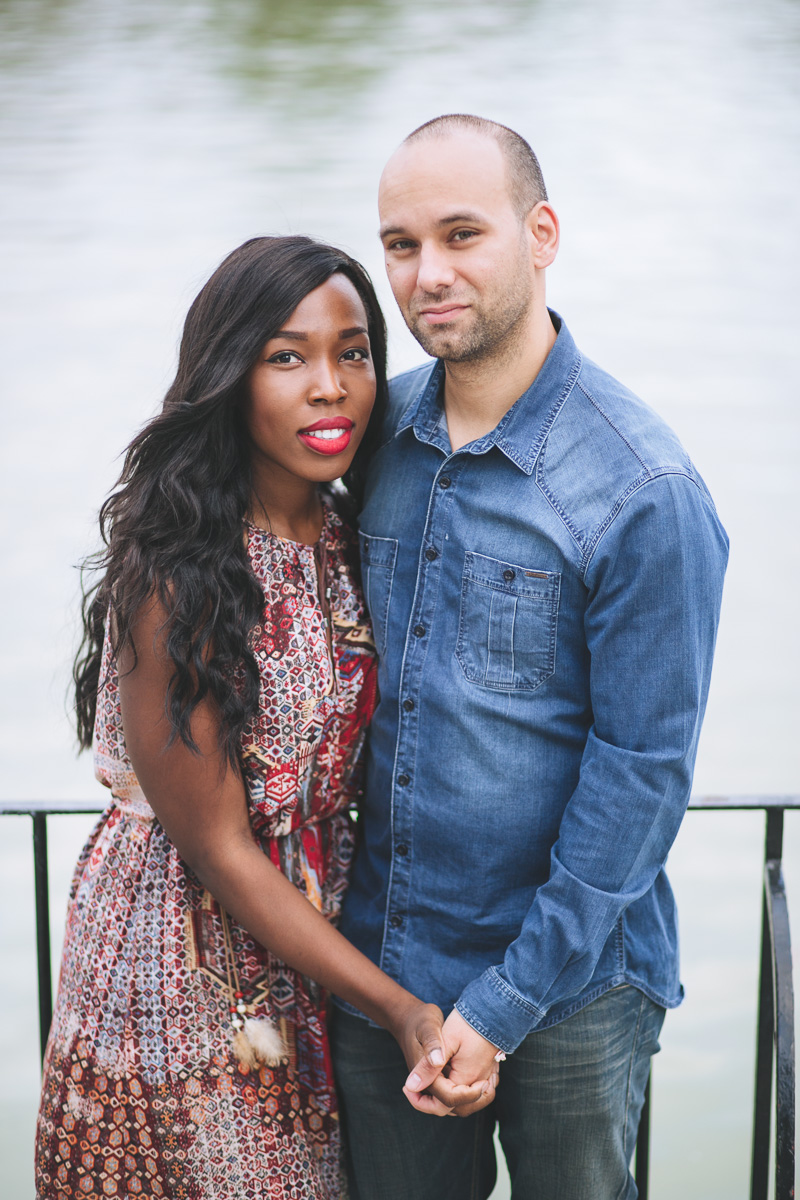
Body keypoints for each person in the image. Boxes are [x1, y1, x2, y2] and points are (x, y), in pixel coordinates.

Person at [35, 235, 493, 1200]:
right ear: (228, 377)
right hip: (182, 958)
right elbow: (221, 849)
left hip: (309, 944)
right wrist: (401, 1007)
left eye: (354, 352)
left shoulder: (343, 528)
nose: (330, 385)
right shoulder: (180, 572)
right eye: (287, 357)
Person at [330, 115, 730, 1199]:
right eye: (400, 245)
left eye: (462, 234)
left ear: (540, 231)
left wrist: (501, 1005)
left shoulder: (642, 490)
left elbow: (641, 774)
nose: (427, 274)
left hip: (574, 994)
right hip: (384, 972)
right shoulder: (377, 438)